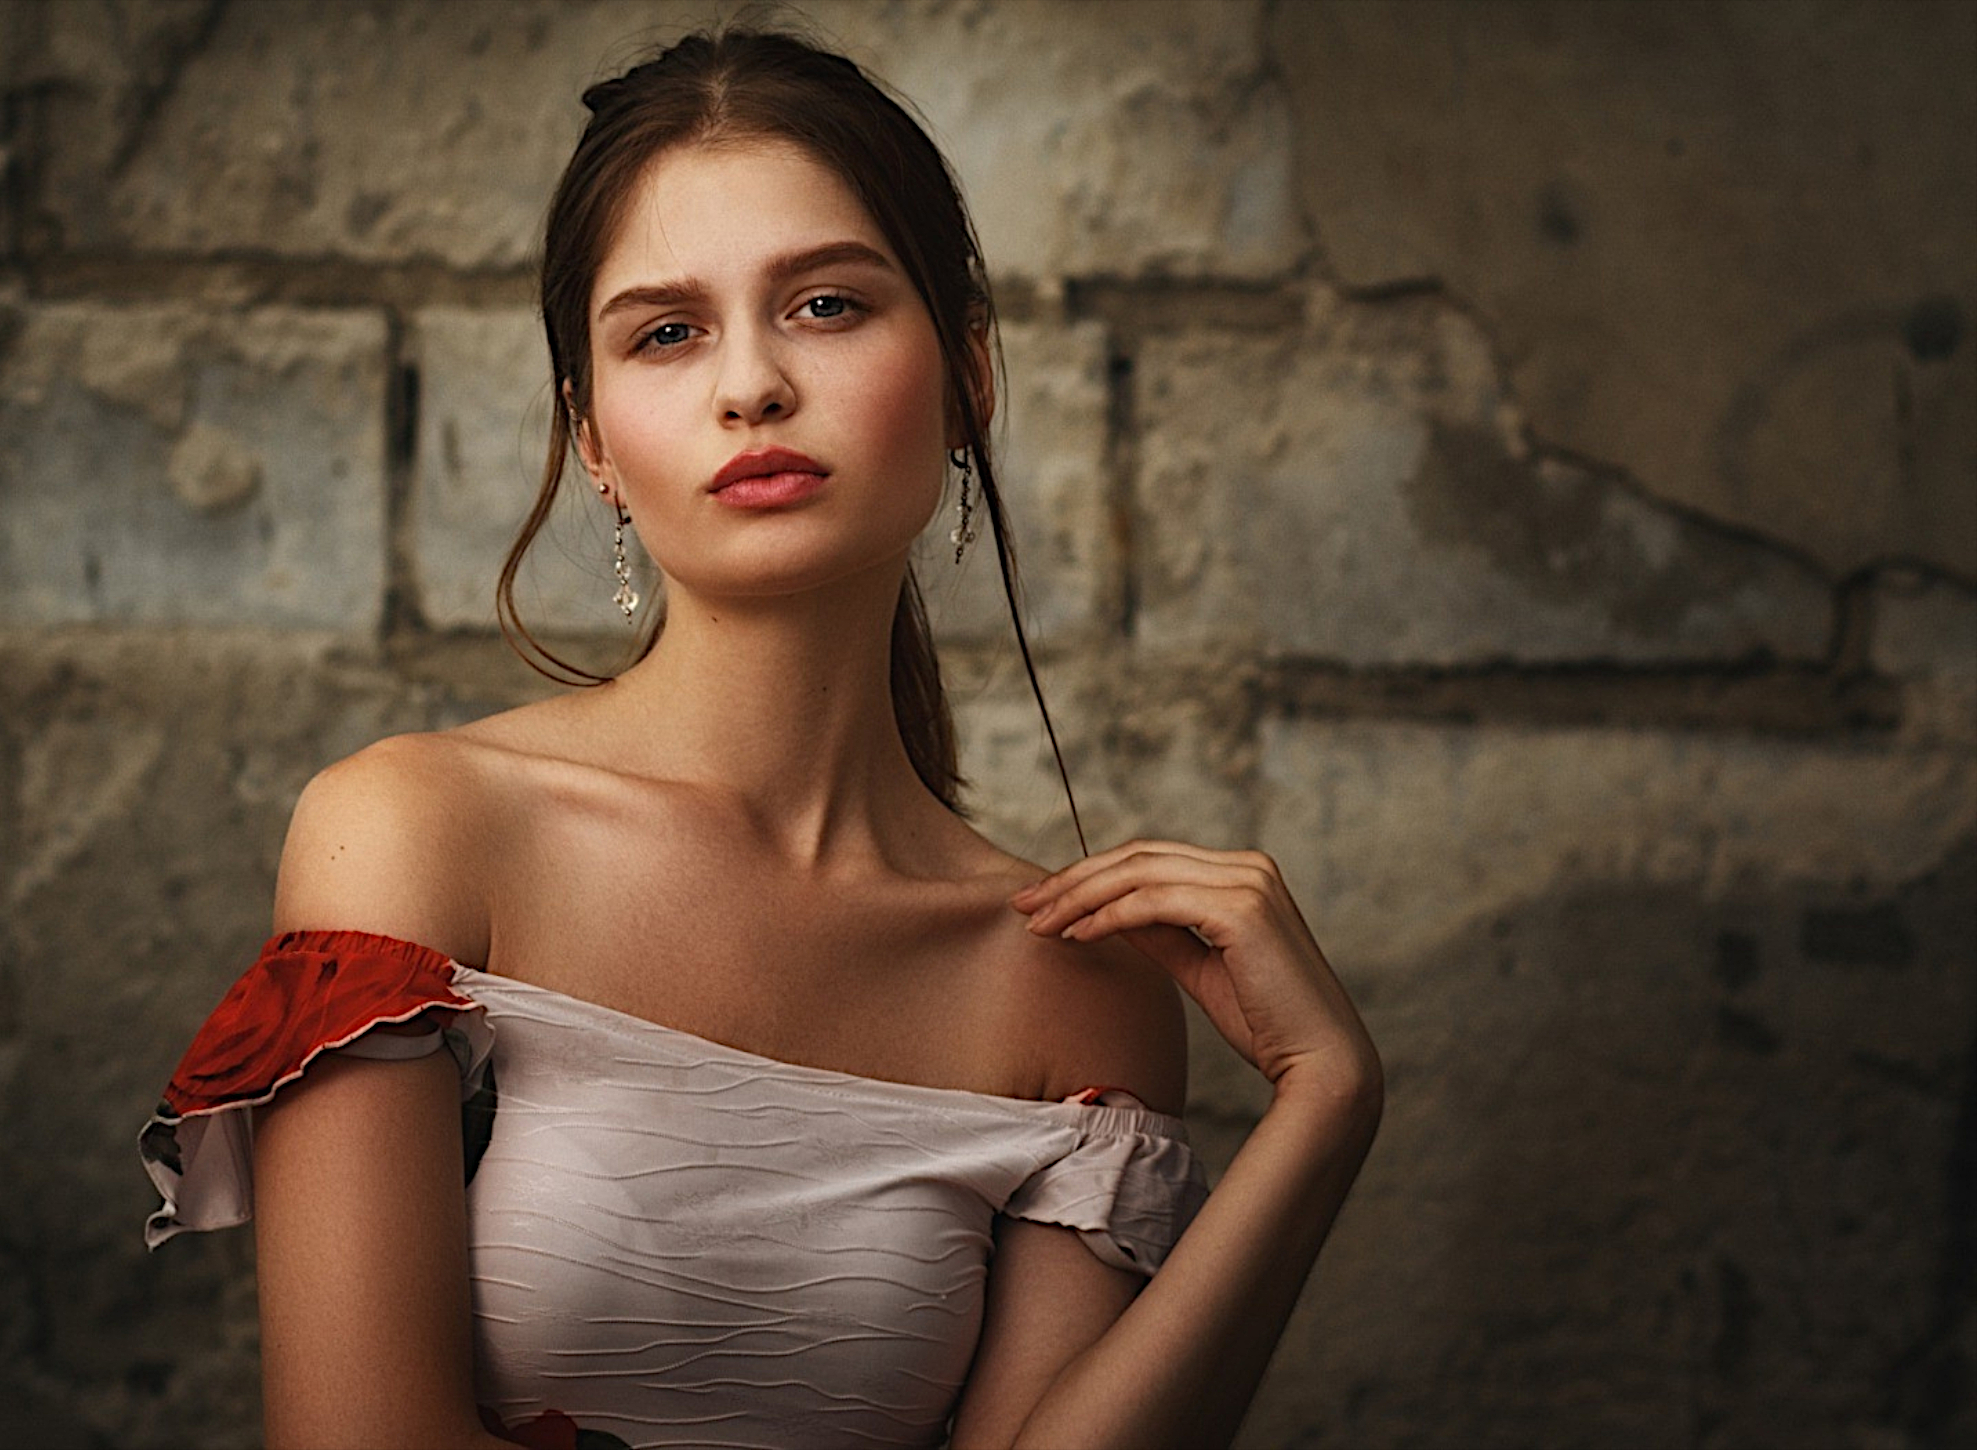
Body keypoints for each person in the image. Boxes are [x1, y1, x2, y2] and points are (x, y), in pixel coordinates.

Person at [137, 20, 1381, 1450]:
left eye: (829, 306)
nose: (750, 386)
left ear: (969, 374)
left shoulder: (1068, 987)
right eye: (667, 332)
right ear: (593, 440)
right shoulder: (416, 837)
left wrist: (1324, 1103)